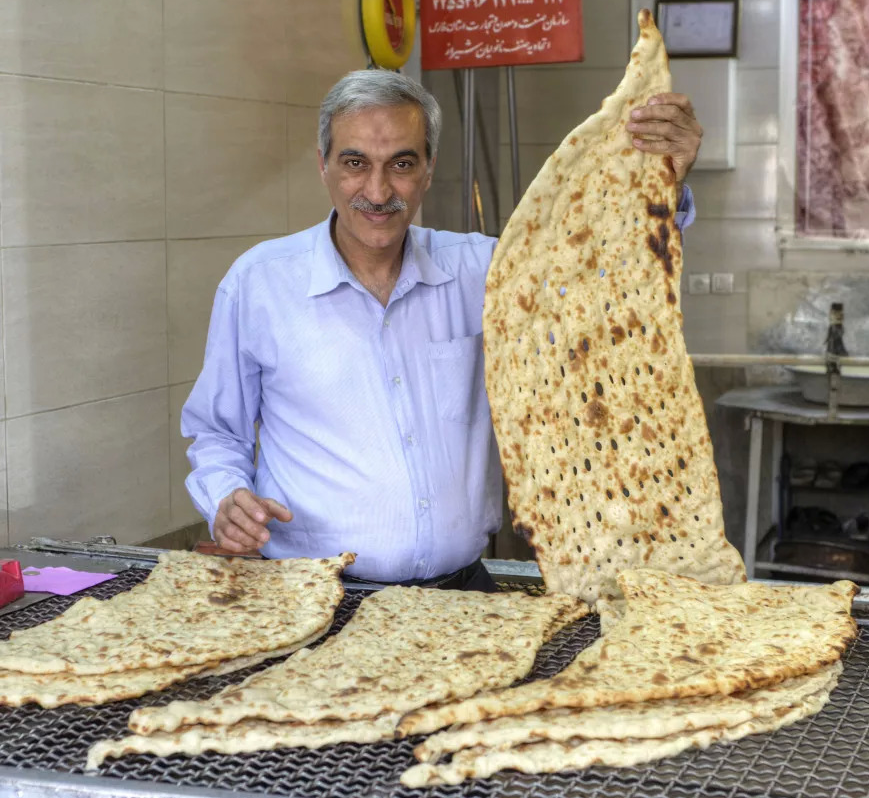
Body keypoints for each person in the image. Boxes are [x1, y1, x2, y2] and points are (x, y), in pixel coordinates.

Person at [181, 69, 705, 589]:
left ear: (428, 170)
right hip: (314, 595)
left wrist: (665, 182)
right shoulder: (260, 284)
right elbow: (218, 432)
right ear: (323, 165)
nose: (378, 191)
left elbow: (606, 296)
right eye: (355, 163)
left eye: (401, 164)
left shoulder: (483, 270)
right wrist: (225, 497)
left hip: (461, 596)